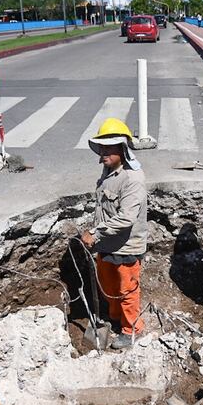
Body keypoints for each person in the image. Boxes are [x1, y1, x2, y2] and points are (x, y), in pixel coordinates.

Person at [81, 118, 148, 349]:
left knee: (126, 290)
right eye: (101, 148)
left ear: (123, 148)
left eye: (108, 148)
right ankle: (114, 319)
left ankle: (131, 330)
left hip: (126, 246)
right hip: (106, 244)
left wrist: (94, 232)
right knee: (108, 287)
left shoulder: (132, 178)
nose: (102, 153)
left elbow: (127, 218)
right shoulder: (109, 170)